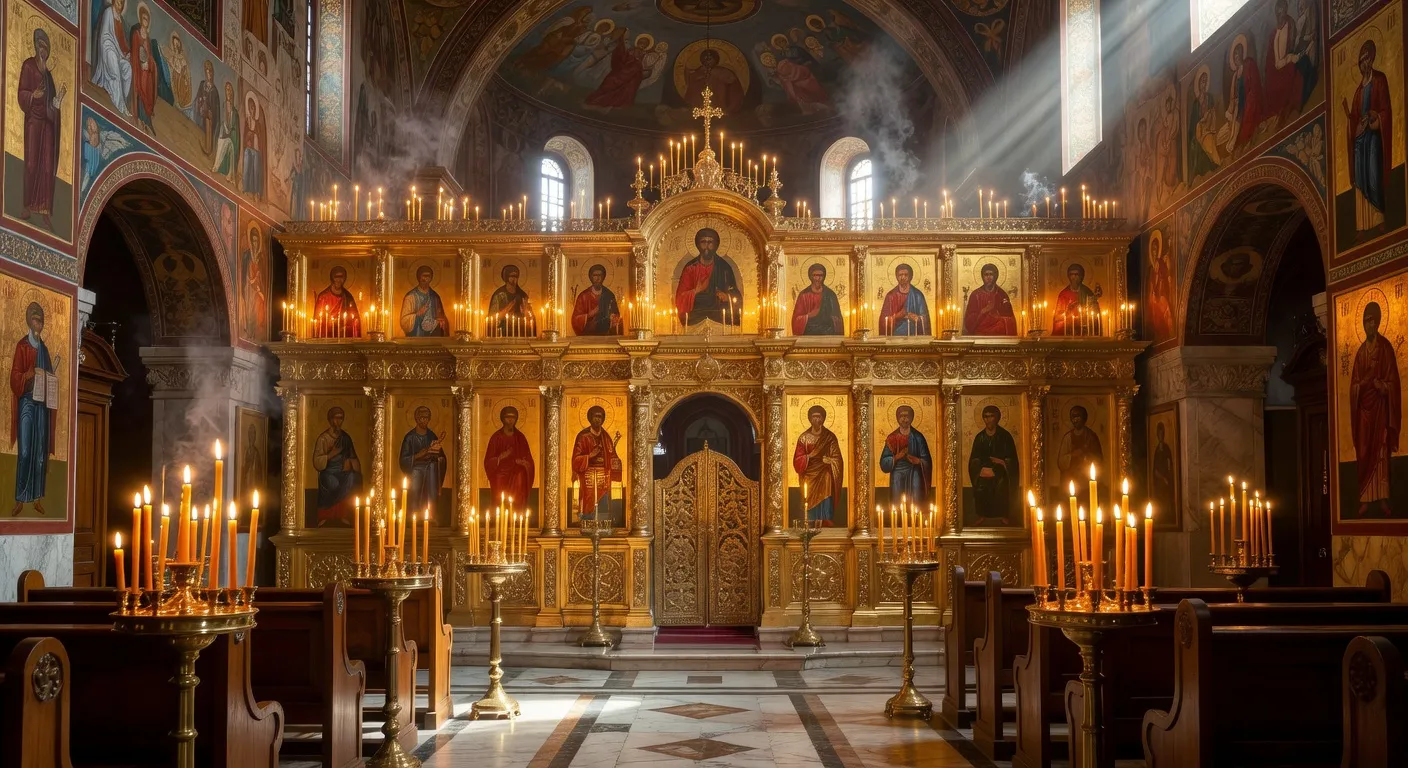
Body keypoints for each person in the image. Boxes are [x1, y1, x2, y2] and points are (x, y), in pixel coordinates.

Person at [1350, 302, 1400, 516]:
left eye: (1371, 320)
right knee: (1363, 452)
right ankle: (1364, 498)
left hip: (1380, 409)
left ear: (1378, 322)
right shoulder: (1361, 353)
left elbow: (1394, 382)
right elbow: (1353, 385)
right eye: (1365, 321)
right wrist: (1360, 386)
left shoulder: (1385, 348)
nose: (1368, 325)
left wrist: (1384, 387)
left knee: (1380, 452)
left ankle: (1382, 499)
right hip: (1364, 412)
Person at [1343, 39, 1392, 240]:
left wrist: (1375, 117)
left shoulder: (1380, 79)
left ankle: (1378, 218)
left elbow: (1386, 109)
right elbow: (1354, 116)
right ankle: (1362, 225)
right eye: (1361, 61)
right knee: (1360, 178)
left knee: (1373, 175)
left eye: (1366, 59)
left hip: (1373, 136)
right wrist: (1351, 120)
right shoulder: (1358, 91)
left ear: (1372, 59)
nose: (1364, 64)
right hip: (1360, 139)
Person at [9, 303, 54, 517]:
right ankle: (20, 498)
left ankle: (36, 498)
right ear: (29, 321)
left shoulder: (44, 349)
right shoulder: (23, 346)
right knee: (26, 451)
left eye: (41, 321)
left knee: (39, 453)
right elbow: (14, 377)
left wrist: (50, 379)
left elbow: (50, 377)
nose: (39, 324)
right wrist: (28, 375)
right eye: (36, 320)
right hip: (27, 401)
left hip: (41, 406)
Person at [18, 29, 65, 232]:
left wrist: (58, 100)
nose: (43, 50)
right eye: (41, 46)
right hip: (33, 122)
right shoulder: (28, 66)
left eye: (46, 47)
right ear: (36, 46)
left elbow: (52, 105)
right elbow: (21, 93)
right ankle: (27, 206)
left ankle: (45, 212)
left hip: (48, 126)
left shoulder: (49, 76)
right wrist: (33, 95)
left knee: (47, 168)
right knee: (31, 163)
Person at [675, 228, 744, 326]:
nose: (707, 246)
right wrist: (696, 291)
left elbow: (735, 294)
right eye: (703, 242)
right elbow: (680, 298)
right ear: (698, 244)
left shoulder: (724, 267)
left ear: (716, 245)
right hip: (696, 315)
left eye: (710, 242)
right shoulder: (690, 268)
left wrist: (727, 297)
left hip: (718, 314)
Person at [792, 405, 843, 526]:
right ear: (809, 419)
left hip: (825, 471)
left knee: (826, 479)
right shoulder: (803, 437)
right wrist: (808, 457)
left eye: (819, 417)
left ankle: (825, 519)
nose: (816, 420)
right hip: (809, 474)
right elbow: (797, 460)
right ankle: (809, 521)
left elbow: (837, 458)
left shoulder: (829, 437)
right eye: (814, 417)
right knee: (807, 495)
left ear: (823, 419)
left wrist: (830, 460)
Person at [968, 405, 1018, 525]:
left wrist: (1002, 462)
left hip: (1001, 471)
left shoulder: (1005, 437)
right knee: (980, 488)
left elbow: (1012, 459)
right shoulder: (979, 438)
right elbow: (974, 458)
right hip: (983, 471)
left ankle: (1003, 515)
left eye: (991, 416)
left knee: (1001, 486)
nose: (988, 420)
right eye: (986, 417)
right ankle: (981, 514)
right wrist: (980, 469)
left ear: (997, 418)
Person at [312, 406, 361, 525]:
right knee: (333, 484)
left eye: (341, 418)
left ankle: (342, 515)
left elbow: (352, 456)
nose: (338, 422)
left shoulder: (345, 438)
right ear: (330, 420)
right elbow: (317, 461)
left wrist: (357, 471)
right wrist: (331, 454)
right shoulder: (323, 438)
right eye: (336, 418)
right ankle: (325, 515)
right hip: (328, 471)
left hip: (342, 470)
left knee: (351, 478)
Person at [570, 405, 621, 519]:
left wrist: (615, 460)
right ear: (590, 418)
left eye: (600, 416)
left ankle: (602, 522)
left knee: (603, 501)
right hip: (588, 475)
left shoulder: (606, 437)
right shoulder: (583, 436)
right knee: (588, 501)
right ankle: (587, 522)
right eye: (595, 416)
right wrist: (589, 456)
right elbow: (576, 460)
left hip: (603, 476)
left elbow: (611, 455)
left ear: (603, 419)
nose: (598, 419)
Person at [880, 405, 932, 508]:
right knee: (897, 503)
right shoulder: (892, 438)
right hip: (897, 474)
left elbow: (927, 460)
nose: (904, 419)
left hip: (914, 472)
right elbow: (883, 462)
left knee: (915, 503)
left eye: (907, 416)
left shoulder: (918, 437)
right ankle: (897, 520)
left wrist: (919, 461)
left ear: (912, 418)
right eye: (901, 416)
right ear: (897, 418)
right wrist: (896, 458)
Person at [583, 30, 650, 110]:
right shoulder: (631, 50)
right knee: (610, 79)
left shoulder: (643, 53)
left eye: (644, 44)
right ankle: (599, 96)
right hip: (625, 69)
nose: (642, 45)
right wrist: (622, 52)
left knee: (615, 80)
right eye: (641, 42)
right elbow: (623, 59)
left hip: (633, 70)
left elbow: (641, 64)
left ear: (646, 46)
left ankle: (604, 99)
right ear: (637, 42)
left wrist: (636, 59)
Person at [484, 406, 535, 510]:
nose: (510, 420)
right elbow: (488, 461)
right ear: (502, 418)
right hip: (500, 471)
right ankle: (499, 514)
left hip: (516, 470)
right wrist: (500, 458)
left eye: (513, 417)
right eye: (507, 417)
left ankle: (517, 512)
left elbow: (529, 460)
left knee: (520, 476)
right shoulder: (496, 438)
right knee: (498, 479)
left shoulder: (520, 437)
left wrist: (523, 462)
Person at [399, 406, 447, 517]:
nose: (424, 420)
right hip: (415, 470)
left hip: (430, 468)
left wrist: (437, 454)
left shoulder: (431, 435)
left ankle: (431, 514)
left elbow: (442, 458)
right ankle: (414, 514)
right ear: (416, 418)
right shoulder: (410, 437)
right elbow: (403, 460)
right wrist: (418, 455)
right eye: (421, 418)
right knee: (417, 476)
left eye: (426, 418)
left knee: (432, 469)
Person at [1264, 0, 1305, 124]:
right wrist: (1285, 60)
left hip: (1287, 61)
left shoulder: (1291, 24)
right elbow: (1274, 61)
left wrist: (1290, 57)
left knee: (1294, 72)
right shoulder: (1274, 33)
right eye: (1278, 11)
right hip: (1278, 67)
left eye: (1283, 10)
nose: (1280, 13)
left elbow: (1294, 42)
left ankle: (1286, 110)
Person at [90, 0, 132, 115]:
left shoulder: (120, 20)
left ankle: (121, 100)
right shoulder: (108, 12)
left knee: (128, 68)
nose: (120, 5)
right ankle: (118, 103)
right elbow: (105, 34)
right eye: (118, 2)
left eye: (122, 3)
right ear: (113, 2)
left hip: (118, 52)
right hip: (107, 47)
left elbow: (122, 41)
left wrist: (127, 53)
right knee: (114, 66)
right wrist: (113, 48)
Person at [963, 263, 1017, 336]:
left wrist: (996, 317)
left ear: (995, 276)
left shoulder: (1001, 294)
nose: (989, 277)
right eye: (986, 274)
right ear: (982, 276)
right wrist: (983, 311)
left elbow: (1010, 319)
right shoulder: (975, 295)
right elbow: (969, 322)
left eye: (991, 274)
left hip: (998, 333)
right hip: (980, 333)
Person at [791, 263, 844, 335]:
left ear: (824, 276)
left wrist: (828, 317)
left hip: (828, 333)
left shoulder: (830, 295)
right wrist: (808, 316)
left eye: (820, 275)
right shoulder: (803, 295)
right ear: (810, 276)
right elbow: (796, 320)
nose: (817, 278)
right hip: (808, 334)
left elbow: (838, 319)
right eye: (815, 275)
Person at [684, 48, 743, 113]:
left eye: (710, 58)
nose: (707, 61)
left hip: (720, 109)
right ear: (701, 60)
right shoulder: (696, 74)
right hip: (700, 111)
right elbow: (691, 94)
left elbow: (735, 90)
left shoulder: (725, 72)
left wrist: (729, 109)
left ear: (716, 59)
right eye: (705, 58)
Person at [879, 263, 930, 336]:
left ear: (910, 276)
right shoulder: (890, 296)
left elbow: (925, 319)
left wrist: (917, 318)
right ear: (896, 276)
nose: (903, 277)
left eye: (906, 275)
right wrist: (896, 317)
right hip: (894, 339)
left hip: (915, 340)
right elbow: (883, 322)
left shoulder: (918, 295)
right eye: (900, 275)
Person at [1056, 405, 1105, 479]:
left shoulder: (1091, 436)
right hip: (1070, 477)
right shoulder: (1068, 437)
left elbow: (1098, 459)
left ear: (1084, 418)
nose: (1075, 420)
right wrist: (1073, 455)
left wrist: (1086, 456)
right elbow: (1061, 461)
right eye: (1073, 417)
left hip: (1086, 477)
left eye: (1078, 417)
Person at [400, 265, 450, 337]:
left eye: (428, 276)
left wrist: (442, 321)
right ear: (418, 277)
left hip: (433, 336)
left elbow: (441, 316)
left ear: (431, 278)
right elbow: (404, 321)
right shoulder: (410, 297)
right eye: (423, 276)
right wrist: (417, 314)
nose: (425, 279)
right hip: (416, 336)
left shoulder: (435, 297)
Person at [312, 265, 362, 337]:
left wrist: (346, 326)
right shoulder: (323, 297)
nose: (339, 280)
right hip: (327, 336)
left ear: (345, 279)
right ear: (332, 278)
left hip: (343, 336)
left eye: (341, 277)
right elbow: (317, 320)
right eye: (336, 277)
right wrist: (329, 323)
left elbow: (355, 319)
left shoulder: (348, 297)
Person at [1052, 263, 1102, 335]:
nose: (1074, 277)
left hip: (1084, 330)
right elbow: (1057, 317)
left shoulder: (1088, 293)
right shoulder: (1063, 294)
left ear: (1081, 276)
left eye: (1077, 274)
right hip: (1068, 330)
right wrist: (1068, 311)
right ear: (1068, 276)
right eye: (1071, 274)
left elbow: (1094, 314)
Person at [571, 264, 621, 335]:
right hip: (587, 337)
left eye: (600, 275)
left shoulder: (609, 295)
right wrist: (589, 315)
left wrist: (613, 318)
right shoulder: (583, 296)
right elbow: (575, 320)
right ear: (590, 277)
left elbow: (616, 315)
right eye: (595, 275)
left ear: (603, 277)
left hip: (606, 337)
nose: (597, 278)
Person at [129, 3, 156, 133]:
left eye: (147, 19)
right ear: (141, 19)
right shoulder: (136, 34)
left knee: (148, 91)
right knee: (140, 91)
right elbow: (135, 52)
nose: (145, 21)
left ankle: (147, 121)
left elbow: (149, 55)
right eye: (144, 19)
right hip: (139, 69)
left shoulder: (148, 38)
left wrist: (149, 63)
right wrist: (140, 63)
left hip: (146, 71)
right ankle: (141, 119)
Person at [488, 264, 534, 336]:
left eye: (516, 276)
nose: (514, 279)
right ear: (506, 277)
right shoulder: (499, 295)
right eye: (512, 276)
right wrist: (508, 307)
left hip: (519, 332)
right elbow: (492, 318)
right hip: (502, 331)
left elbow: (529, 317)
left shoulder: (523, 295)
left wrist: (525, 311)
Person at [241, 226, 266, 340]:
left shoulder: (260, 257)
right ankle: (249, 332)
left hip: (257, 289)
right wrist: (252, 281)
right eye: (253, 241)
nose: (255, 244)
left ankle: (254, 333)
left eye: (257, 241)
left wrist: (259, 288)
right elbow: (244, 275)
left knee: (259, 306)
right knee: (250, 310)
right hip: (249, 289)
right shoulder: (247, 255)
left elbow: (263, 277)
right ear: (250, 241)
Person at [211, 82, 240, 181]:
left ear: (232, 93)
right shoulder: (223, 106)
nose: (228, 92)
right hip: (223, 136)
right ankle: (217, 166)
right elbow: (221, 123)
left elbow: (235, 132)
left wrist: (230, 134)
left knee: (228, 142)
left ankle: (229, 173)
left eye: (230, 90)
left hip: (231, 140)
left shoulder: (235, 113)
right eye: (227, 90)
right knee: (221, 141)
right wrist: (223, 132)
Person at [241, 95, 264, 201]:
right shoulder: (247, 121)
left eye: (253, 108)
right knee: (246, 165)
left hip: (256, 150)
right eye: (250, 108)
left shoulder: (258, 124)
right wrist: (248, 137)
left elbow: (260, 137)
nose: (252, 110)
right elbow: (245, 135)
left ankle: (256, 192)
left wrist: (254, 134)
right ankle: (246, 189)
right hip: (248, 148)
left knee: (255, 169)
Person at [194, 60, 218, 155]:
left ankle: (208, 148)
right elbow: (198, 97)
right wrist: (199, 102)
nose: (209, 75)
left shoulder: (214, 91)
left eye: (210, 71)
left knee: (208, 121)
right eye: (207, 72)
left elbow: (215, 109)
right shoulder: (202, 84)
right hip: (201, 111)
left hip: (209, 116)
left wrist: (209, 112)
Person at [1151, 421, 1175, 518]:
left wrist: (1168, 477)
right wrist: (1162, 478)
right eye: (1159, 434)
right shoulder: (1157, 450)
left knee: (1167, 502)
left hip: (1166, 481)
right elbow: (1155, 469)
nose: (1161, 436)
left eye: (1162, 434)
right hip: (1159, 482)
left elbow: (1170, 464)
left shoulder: (1166, 448)